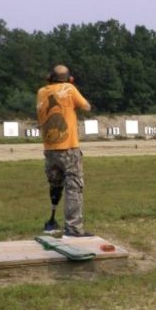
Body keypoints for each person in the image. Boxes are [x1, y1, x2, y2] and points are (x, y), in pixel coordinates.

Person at [37, 64, 93, 237]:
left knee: (56, 184)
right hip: (68, 147)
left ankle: (53, 221)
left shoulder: (41, 92)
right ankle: (73, 228)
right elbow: (86, 106)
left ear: (49, 78)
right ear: (70, 79)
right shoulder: (69, 88)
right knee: (74, 187)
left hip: (49, 149)